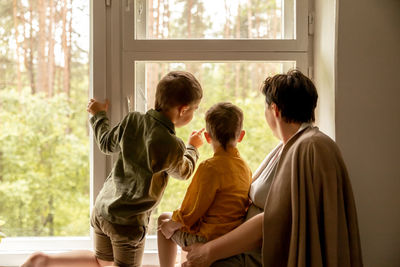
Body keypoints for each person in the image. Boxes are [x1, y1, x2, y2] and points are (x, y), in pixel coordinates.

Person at [22, 71, 204, 267]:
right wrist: (192, 147)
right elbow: (183, 172)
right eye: (194, 109)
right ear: (183, 109)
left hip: (103, 210)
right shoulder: (172, 144)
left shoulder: (132, 120)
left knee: (102, 262)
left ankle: (44, 261)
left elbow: (106, 144)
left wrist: (98, 115)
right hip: (128, 223)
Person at [182, 70, 363, 267]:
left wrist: (209, 252)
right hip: (244, 251)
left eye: (265, 108)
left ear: (275, 110)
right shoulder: (288, 146)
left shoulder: (310, 148)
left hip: (261, 258)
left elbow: (273, 221)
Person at [157, 102, 252, 267]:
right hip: (231, 236)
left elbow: (191, 211)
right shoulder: (245, 167)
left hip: (209, 237)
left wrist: (170, 226)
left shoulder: (209, 167)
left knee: (163, 221)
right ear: (241, 135)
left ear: (207, 137)